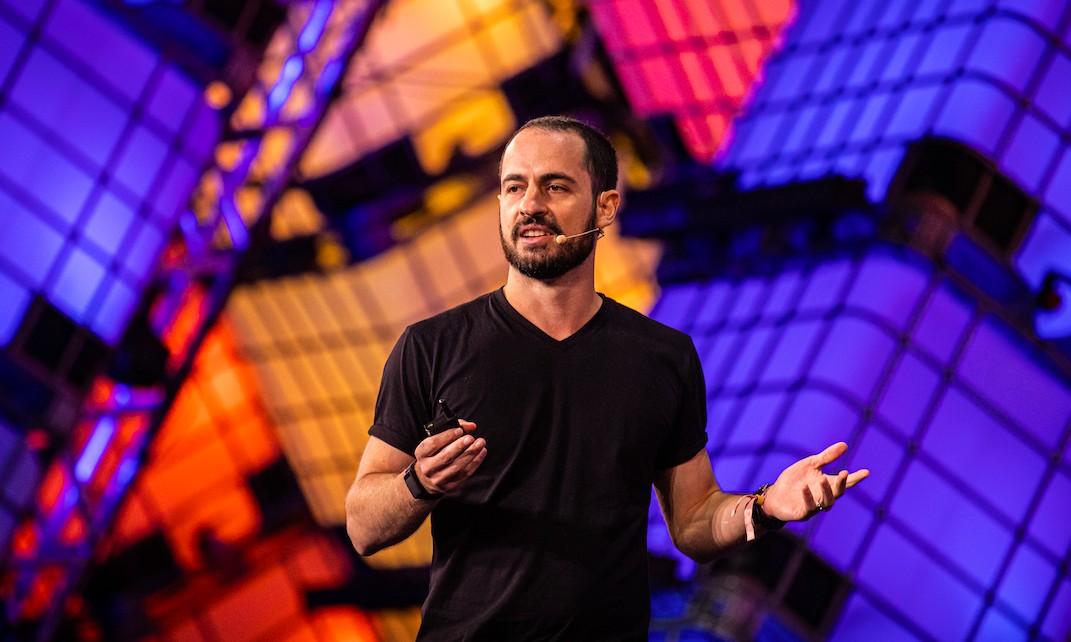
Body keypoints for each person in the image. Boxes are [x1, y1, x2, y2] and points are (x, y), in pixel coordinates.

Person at [345, 115, 870, 640]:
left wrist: (766, 507)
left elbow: (693, 521)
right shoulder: (431, 346)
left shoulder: (663, 357)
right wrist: (419, 483)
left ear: (606, 207)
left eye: (555, 186)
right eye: (514, 187)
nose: (530, 204)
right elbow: (364, 528)